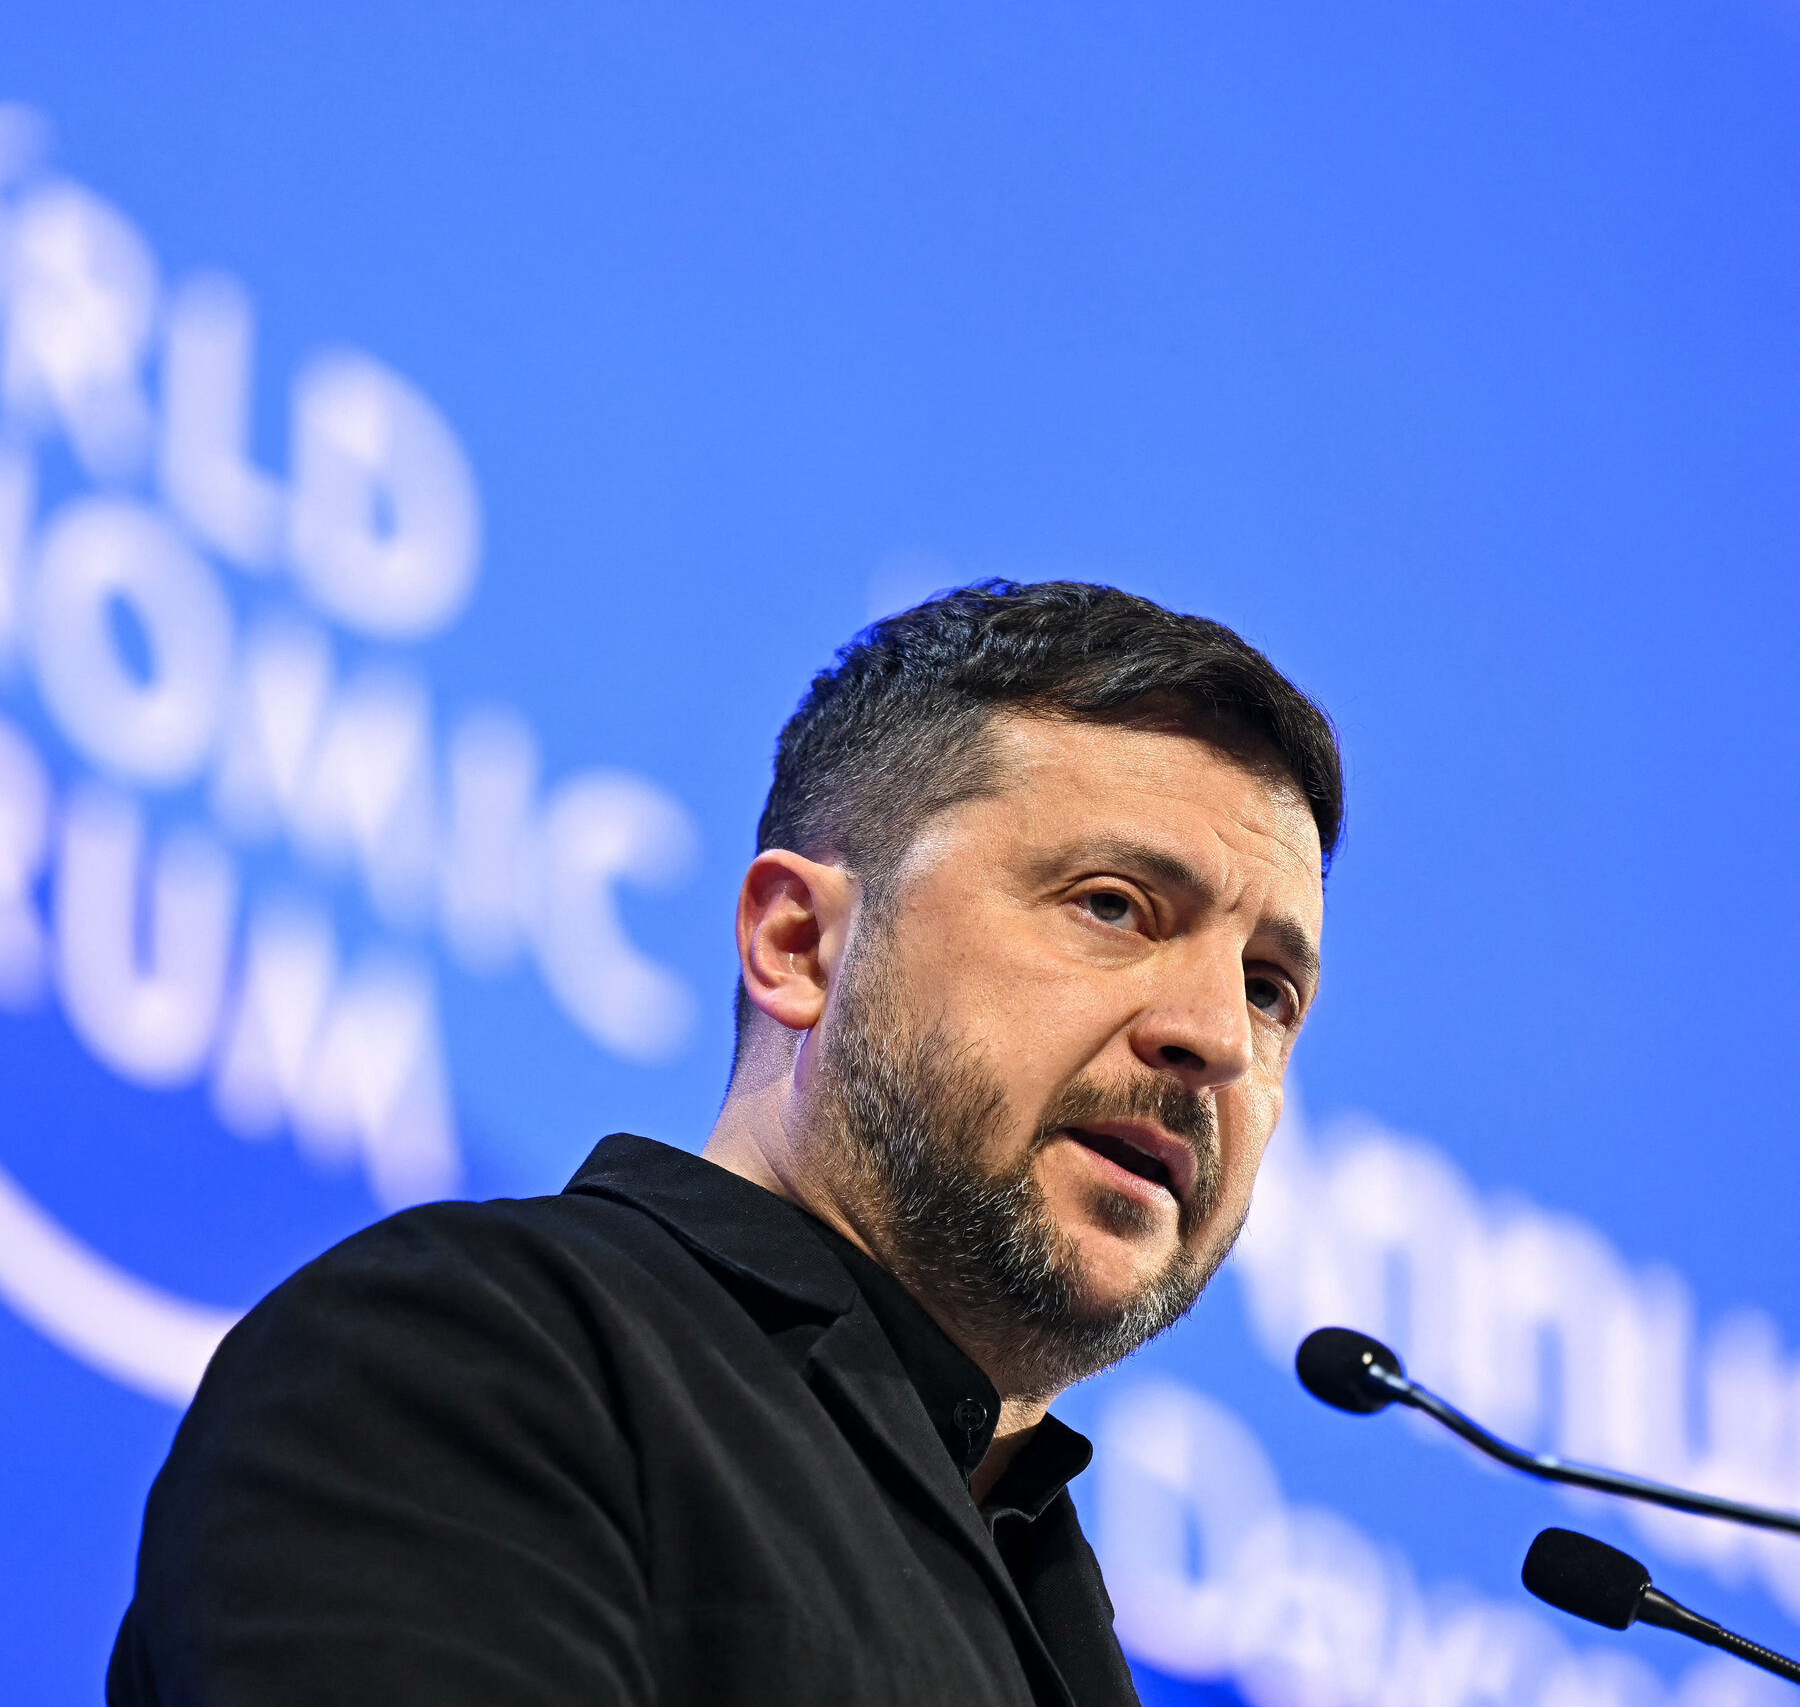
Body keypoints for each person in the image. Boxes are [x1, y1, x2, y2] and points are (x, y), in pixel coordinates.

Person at [107, 578, 1341, 1707]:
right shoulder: (475, 1349)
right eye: (1114, 906)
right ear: (799, 946)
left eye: (1270, 988)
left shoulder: (1062, 1619)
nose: (1215, 1038)